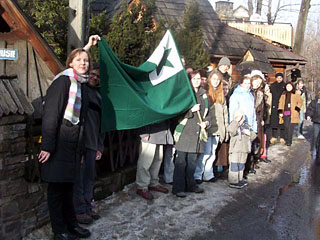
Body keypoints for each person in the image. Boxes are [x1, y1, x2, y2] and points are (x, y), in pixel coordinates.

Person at [38, 48, 92, 240]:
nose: (83, 63)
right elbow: (51, 115)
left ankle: (72, 225)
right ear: (70, 62)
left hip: (73, 145)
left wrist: (81, 150)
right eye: (79, 60)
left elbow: (82, 121)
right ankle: (59, 230)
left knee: (68, 189)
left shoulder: (82, 85)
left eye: (86, 60)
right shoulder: (63, 82)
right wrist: (47, 146)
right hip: (59, 143)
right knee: (56, 190)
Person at [73, 63, 105, 224]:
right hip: (79, 143)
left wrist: (100, 146)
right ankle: (78, 210)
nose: (94, 77)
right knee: (78, 178)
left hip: (92, 144)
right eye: (92, 74)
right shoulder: (80, 91)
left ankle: (87, 206)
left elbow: (102, 126)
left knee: (88, 178)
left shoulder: (99, 97)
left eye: (98, 76)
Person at [172, 70, 209, 198]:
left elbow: (208, 114)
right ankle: (178, 188)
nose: (197, 81)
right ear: (189, 80)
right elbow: (177, 114)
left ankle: (190, 185)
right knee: (181, 162)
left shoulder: (204, 95)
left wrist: (206, 123)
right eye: (194, 79)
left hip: (196, 133)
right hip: (184, 133)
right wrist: (191, 111)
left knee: (192, 162)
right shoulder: (185, 95)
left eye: (199, 78)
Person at [194, 71, 228, 183]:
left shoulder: (221, 95)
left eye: (218, 79)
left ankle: (208, 174)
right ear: (209, 79)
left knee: (212, 153)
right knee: (205, 153)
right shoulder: (205, 93)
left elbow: (225, 114)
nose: (216, 81)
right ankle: (198, 174)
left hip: (218, 129)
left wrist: (225, 130)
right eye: (214, 79)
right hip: (208, 128)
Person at [135, 121, 172, 200]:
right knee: (145, 162)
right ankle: (142, 186)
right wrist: (144, 133)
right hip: (149, 131)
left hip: (160, 131)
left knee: (157, 160)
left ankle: (153, 183)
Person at [228, 110, 256, 189]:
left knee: (241, 165)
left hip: (244, 149)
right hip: (235, 149)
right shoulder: (233, 125)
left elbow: (253, 136)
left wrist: (249, 133)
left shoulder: (247, 125)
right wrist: (236, 121)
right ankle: (233, 181)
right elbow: (231, 131)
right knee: (234, 165)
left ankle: (239, 179)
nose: (240, 119)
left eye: (241, 117)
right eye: (238, 117)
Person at [278, 82, 302, 146]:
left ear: (292, 87)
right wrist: (280, 112)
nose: (288, 88)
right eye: (287, 86)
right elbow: (280, 103)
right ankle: (286, 139)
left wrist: (297, 109)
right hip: (285, 112)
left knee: (290, 127)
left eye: (290, 86)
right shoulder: (283, 94)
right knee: (286, 126)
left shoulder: (295, 94)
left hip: (293, 113)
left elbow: (300, 102)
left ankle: (289, 141)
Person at [269, 72, 286, 144]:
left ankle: (282, 137)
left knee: (282, 121)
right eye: (277, 78)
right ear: (275, 78)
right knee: (274, 122)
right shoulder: (272, 86)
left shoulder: (285, 86)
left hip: (282, 105)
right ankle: (274, 137)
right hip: (274, 105)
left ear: (282, 78)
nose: (279, 79)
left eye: (280, 78)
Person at [306, 88, 320, 161]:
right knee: (316, 137)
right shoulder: (315, 101)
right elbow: (311, 109)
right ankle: (317, 153)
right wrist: (308, 115)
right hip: (317, 122)